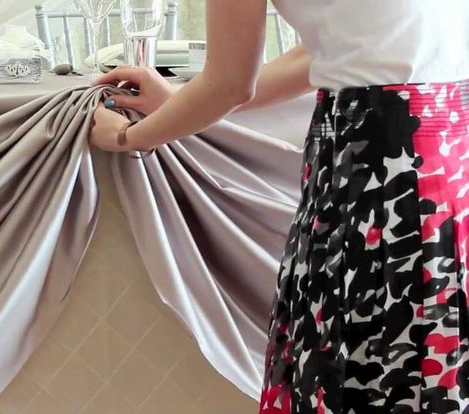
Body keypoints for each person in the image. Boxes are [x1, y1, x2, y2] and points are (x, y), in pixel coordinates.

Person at [89, 1, 469, 412]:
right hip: (451, 148)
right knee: (430, 347)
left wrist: (129, 137)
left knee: (364, 359)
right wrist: (181, 99)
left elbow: (231, 84)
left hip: (378, 164)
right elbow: (323, 52)